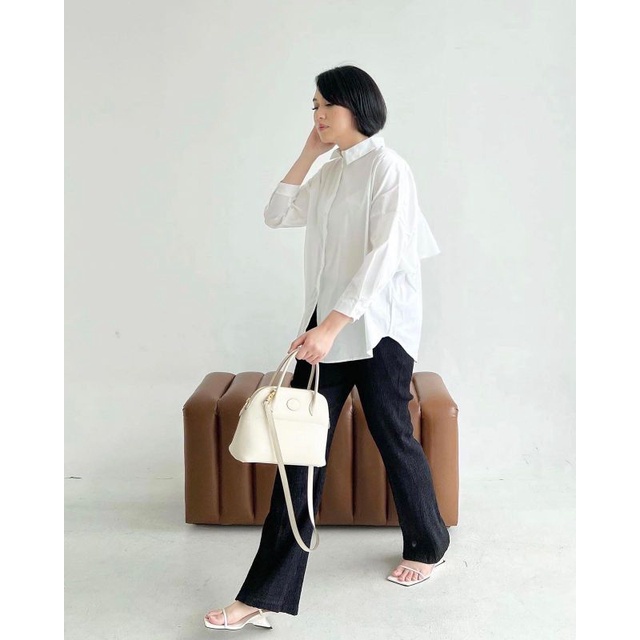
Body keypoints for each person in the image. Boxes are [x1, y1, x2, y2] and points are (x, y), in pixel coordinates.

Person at [204, 64, 450, 631]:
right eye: (312, 106)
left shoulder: (390, 168)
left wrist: (332, 326)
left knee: (393, 436)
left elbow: (385, 257)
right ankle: (265, 595)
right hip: (326, 331)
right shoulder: (332, 170)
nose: (317, 115)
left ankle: (429, 544)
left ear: (356, 106)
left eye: (326, 106)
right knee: (299, 454)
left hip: (379, 331)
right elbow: (276, 214)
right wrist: (309, 153)